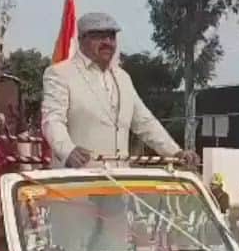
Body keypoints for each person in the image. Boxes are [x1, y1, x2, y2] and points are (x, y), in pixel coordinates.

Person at [41, 12, 198, 169]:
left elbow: (145, 122)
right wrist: (67, 150)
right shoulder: (60, 74)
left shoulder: (123, 78)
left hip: (120, 183)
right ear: (82, 38)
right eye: (99, 36)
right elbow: (52, 120)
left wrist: (176, 153)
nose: (107, 42)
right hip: (76, 184)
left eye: (111, 37)